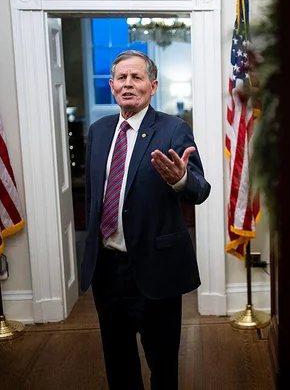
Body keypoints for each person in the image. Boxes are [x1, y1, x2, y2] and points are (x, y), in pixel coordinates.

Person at [80, 50, 210, 389]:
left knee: (163, 366)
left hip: (155, 270)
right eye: (121, 78)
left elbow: (200, 189)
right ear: (111, 86)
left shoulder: (173, 129)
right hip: (107, 271)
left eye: (136, 77)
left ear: (152, 86)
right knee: (118, 365)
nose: (128, 84)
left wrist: (181, 179)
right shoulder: (98, 131)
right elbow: (94, 197)